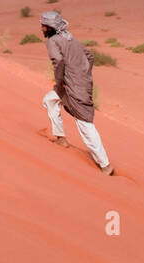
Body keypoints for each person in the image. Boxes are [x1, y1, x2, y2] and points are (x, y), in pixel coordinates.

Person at [40, 10, 114, 175]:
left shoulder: (52, 41)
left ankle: (105, 164)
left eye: (44, 26)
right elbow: (90, 56)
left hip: (72, 85)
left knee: (85, 124)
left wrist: (60, 82)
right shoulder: (69, 37)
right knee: (50, 100)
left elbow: (58, 61)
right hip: (82, 82)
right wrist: (84, 74)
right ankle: (60, 138)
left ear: (50, 27)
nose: (41, 28)